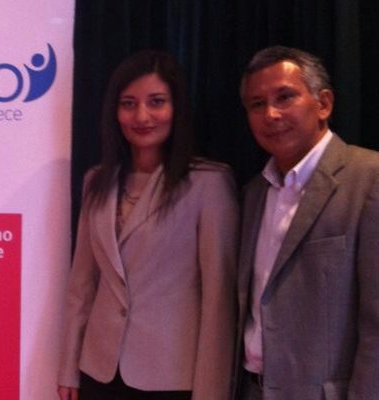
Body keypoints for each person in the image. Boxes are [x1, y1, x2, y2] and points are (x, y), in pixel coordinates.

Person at [58, 50, 238, 400]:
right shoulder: (97, 180)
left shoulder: (208, 183)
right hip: (98, 370)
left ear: (176, 108)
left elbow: (218, 300)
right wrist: (68, 367)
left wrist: (211, 391)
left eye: (156, 102)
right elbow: (82, 285)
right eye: (128, 104)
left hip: (170, 376)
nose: (141, 116)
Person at [234, 46, 379, 399]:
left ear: (324, 103)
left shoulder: (369, 178)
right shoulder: (253, 193)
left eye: (285, 97)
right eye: (257, 104)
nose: (270, 114)